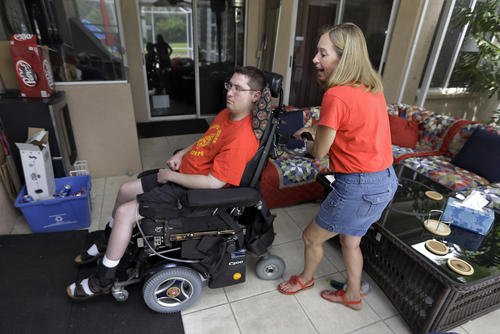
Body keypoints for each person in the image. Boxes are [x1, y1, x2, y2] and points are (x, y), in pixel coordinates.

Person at [67, 66, 266, 300]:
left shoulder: (243, 138)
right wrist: (182, 153)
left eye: (238, 88)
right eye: (229, 85)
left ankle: (103, 280)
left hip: (191, 193)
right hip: (182, 173)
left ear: (255, 96)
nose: (230, 92)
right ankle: (106, 242)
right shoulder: (226, 115)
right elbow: (205, 141)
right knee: (125, 190)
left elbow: (214, 183)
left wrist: (169, 177)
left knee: (125, 212)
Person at [277, 23, 397, 311]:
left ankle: (305, 279)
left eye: (322, 53)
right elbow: (352, 127)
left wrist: (306, 138)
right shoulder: (371, 88)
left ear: (344, 58)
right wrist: (315, 127)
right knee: (350, 241)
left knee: (310, 237)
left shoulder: (336, 94)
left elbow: (319, 152)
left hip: (358, 185)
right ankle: (353, 295)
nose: (315, 59)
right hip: (385, 181)